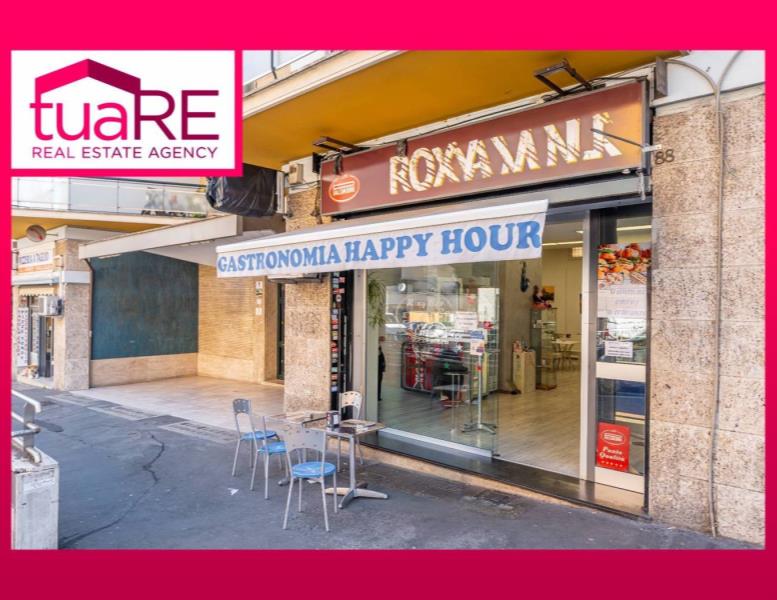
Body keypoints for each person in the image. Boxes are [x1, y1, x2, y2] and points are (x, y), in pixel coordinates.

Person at [378, 336, 386, 401]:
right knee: (378, 382)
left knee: (379, 382)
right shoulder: (376, 346)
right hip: (378, 368)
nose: (384, 339)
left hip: (379, 368)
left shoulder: (378, 346)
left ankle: (378, 396)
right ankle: (377, 396)